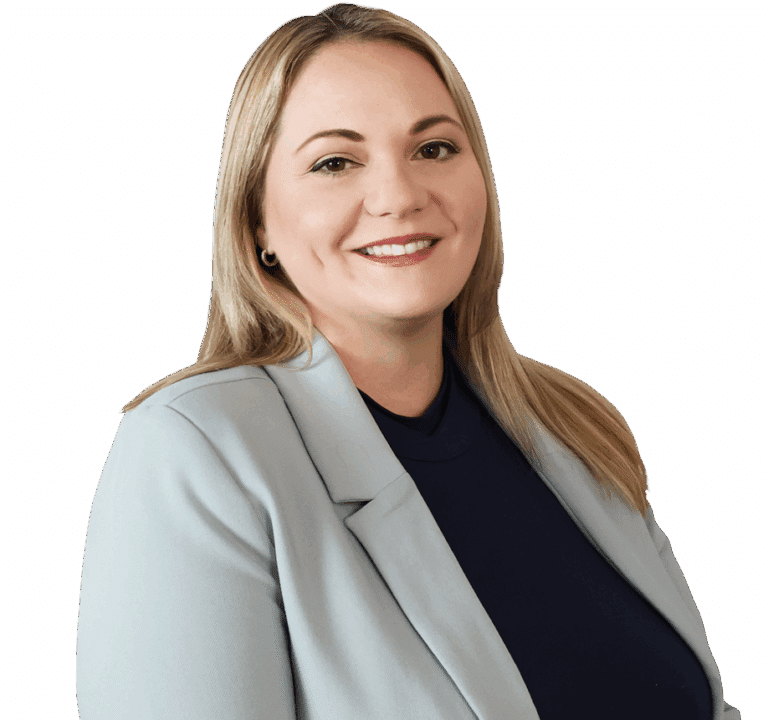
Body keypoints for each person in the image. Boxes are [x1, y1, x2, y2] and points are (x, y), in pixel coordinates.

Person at [75, 4, 740, 719]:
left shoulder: (574, 425)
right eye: (335, 162)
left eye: (434, 149)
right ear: (257, 221)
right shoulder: (197, 450)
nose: (399, 195)